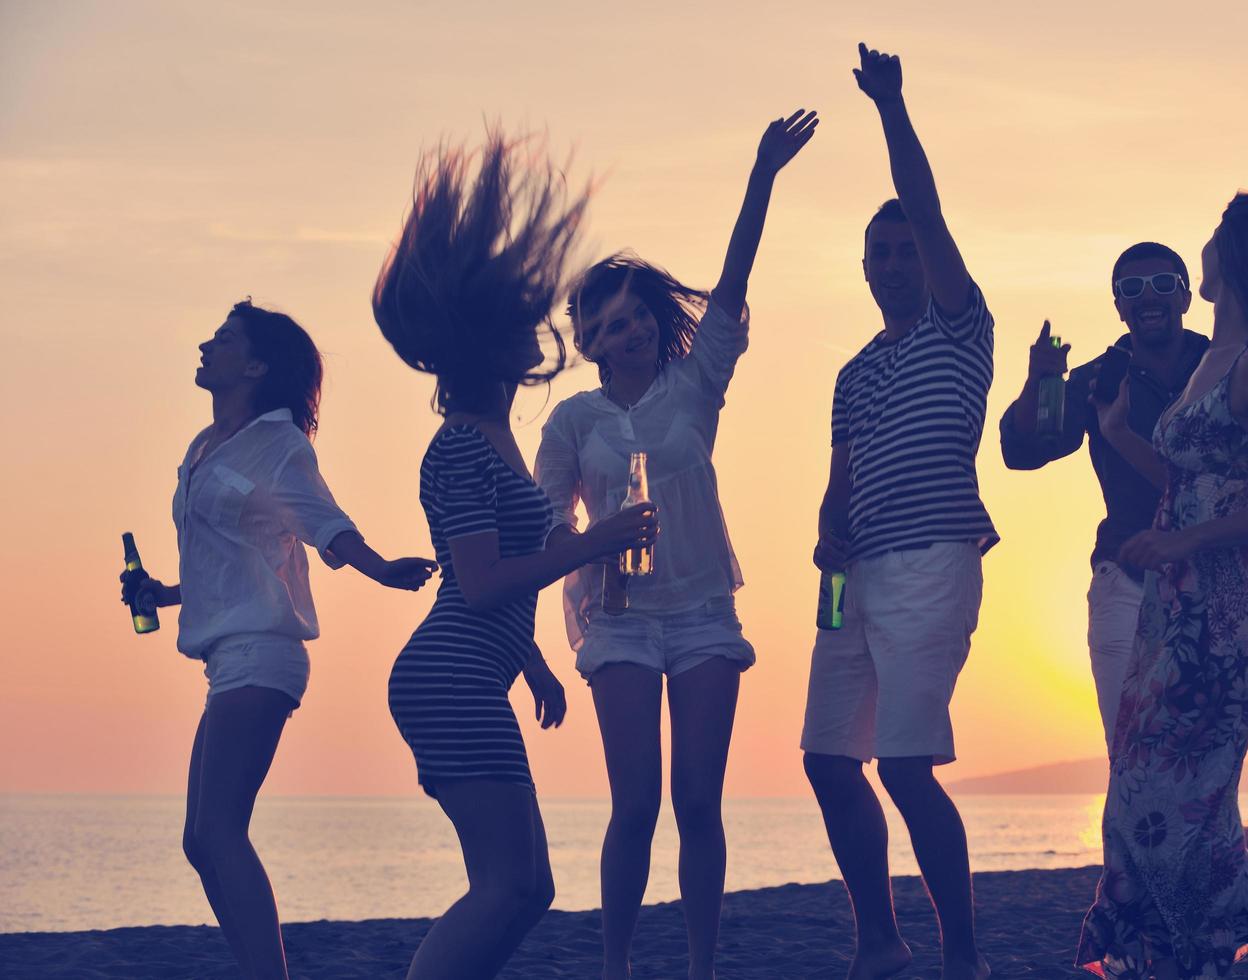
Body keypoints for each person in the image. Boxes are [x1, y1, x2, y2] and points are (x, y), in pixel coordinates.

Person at [535, 108, 817, 980]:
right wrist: (599, 540)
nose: (628, 334)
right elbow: (550, 530)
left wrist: (761, 177)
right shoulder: (572, 420)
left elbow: (731, 287)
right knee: (636, 804)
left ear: (655, 320)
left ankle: (700, 967)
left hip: (700, 610)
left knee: (698, 801)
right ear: (586, 342)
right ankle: (616, 965)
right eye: (608, 327)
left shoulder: (695, 388)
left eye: (635, 319)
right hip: (616, 618)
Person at [371, 134, 658, 980]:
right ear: (488, 348)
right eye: (517, 325)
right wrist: (594, 544)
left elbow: (484, 583)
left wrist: (532, 663)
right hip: (446, 679)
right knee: (504, 887)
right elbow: (485, 581)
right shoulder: (459, 446)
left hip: (475, 671)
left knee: (528, 888)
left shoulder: (495, 434)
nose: (538, 331)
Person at [999, 132, 1248, 747]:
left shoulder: (1233, 364)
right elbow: (1023, 452)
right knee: (1131, 757)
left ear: (1186, 292)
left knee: (1194, 761)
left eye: (1161, 284)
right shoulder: (1100, 379)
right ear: (1118, 307)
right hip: (1128, 579)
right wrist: (1037, 387)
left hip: (1217, 577)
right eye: (1131, 289)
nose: (1147, 298)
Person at [120, 299, 436, 979]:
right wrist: (161, 592)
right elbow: (237, 552)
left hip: (264, 653)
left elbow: (326, 521)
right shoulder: (203, 450)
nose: (206, 344)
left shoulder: (281, 443)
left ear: (257, 365)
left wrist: (381, 568)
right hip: (225, 656)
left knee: (216, 832)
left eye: (224, 339)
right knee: (200, 840)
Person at [1076, 192, 1248, 979]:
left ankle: (1197, 954)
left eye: (1218, 232)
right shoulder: (1212, 360)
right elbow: (1187, 480)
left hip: (1231, 607)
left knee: (1177, 793)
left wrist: (1184, 540)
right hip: (1173, 600)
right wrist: (1118, 434)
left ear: (1242, 255)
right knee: (1148, 786)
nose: (1206, 242)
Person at [800, 44, 997, 980]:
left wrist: (891, 107)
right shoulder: (852, 372)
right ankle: (879, 943)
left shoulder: (959, 327)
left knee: (908, 767)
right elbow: (839, 479)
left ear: (929, 256)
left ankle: (962, 959)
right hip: (851, 579)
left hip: (932, 562)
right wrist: (825, 538)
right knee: (828, 759)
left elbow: (925, 204)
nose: (891, 259)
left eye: (905, 246)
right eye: (877, 250)